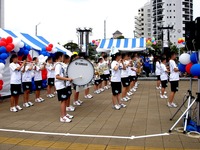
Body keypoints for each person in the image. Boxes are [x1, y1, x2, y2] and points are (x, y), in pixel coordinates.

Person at [54, 52, 73, 123]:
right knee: (63, 101)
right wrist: (67, 79)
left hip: (63, 85)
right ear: (59, 57)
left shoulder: (61, 65)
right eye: (62, 56)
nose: (63, 58)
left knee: (64, 100)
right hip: (60, 85)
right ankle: (62, 117)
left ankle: (65, 114)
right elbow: (57, 76)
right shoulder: (58, 65)